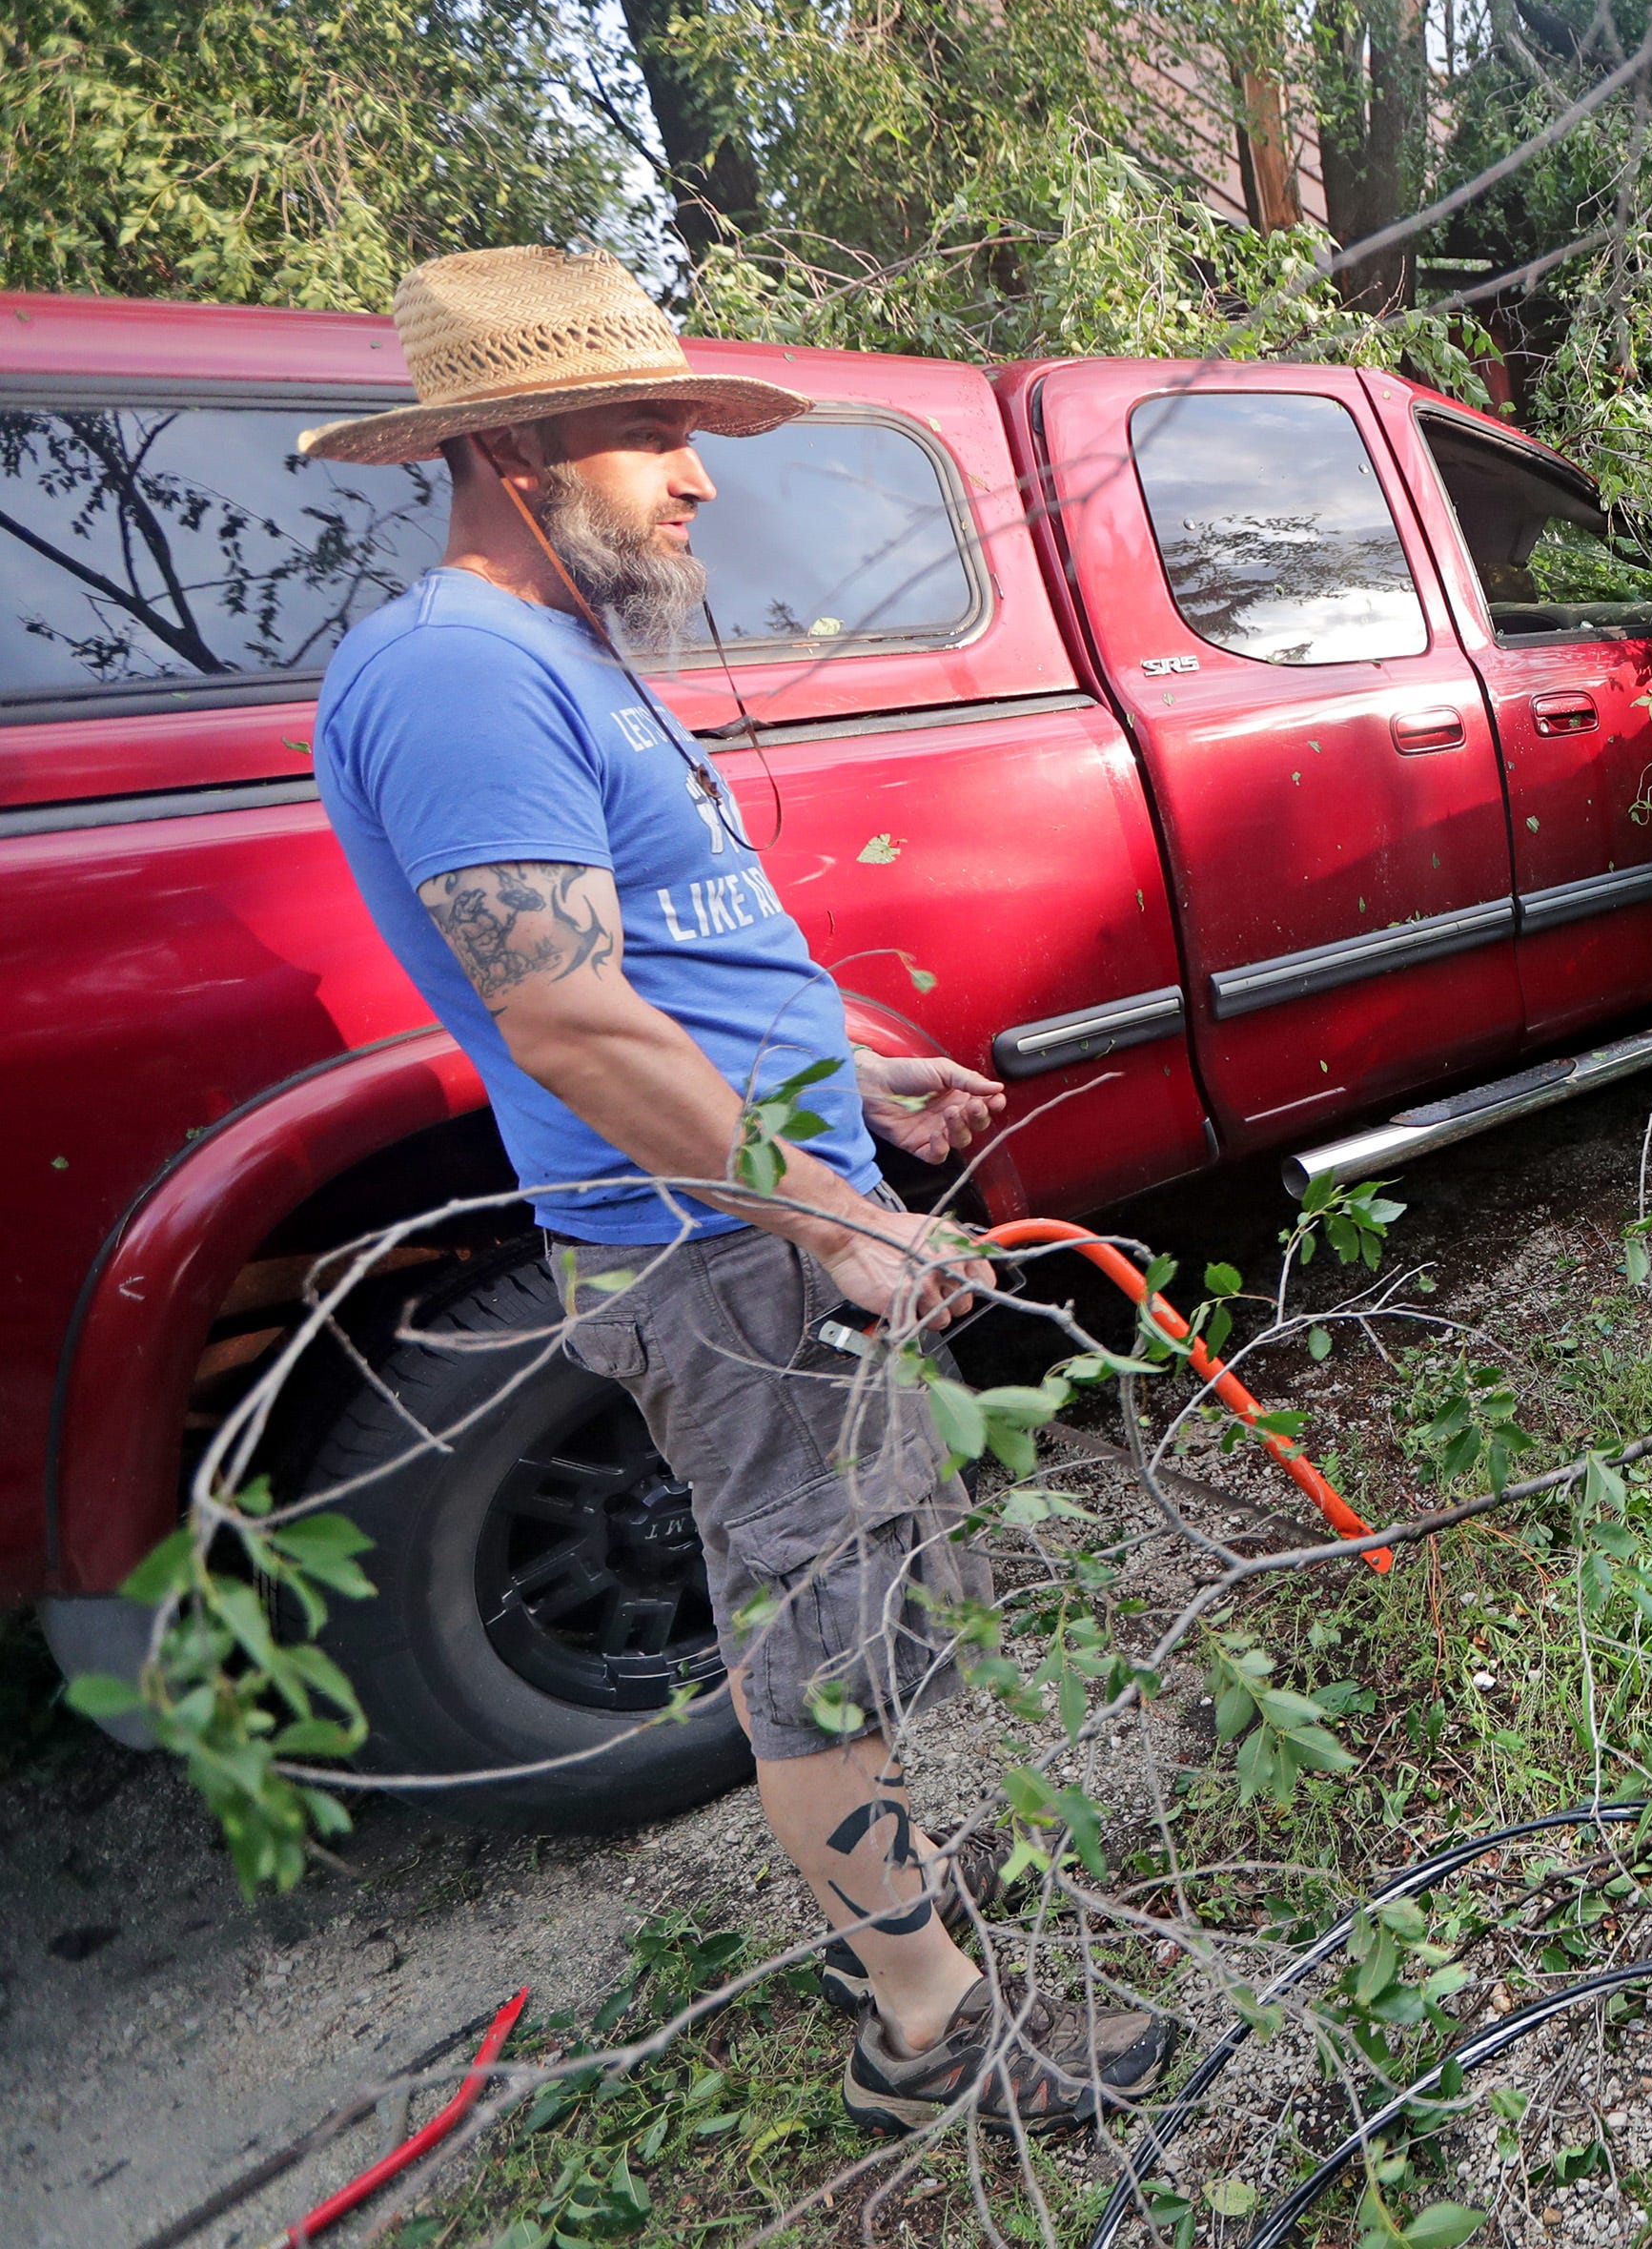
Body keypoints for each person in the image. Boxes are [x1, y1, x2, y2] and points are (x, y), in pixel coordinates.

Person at [306, 246, 1167, 2136]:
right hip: (718, 1256)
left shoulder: (557, 655)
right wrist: (832, 1215)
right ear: (519, 445)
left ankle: (906, 1913)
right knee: (810, 1630)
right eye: (650, 431)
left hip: (756, 1218)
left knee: (847, 1608)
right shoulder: (455, 669)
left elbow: (674, 967)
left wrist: (858, 1085)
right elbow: (568, 1018)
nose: (697, 474)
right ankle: (934, 2030)